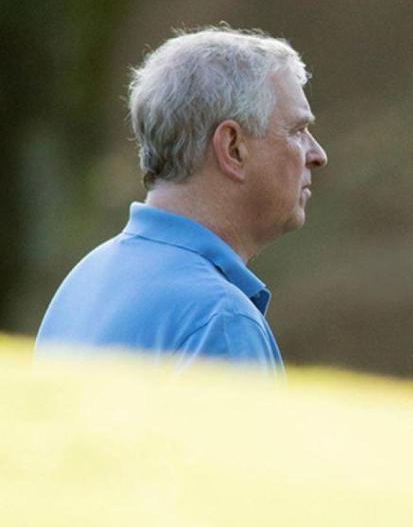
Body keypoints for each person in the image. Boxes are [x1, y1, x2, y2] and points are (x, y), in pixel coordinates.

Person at [35, 26, 328, 375]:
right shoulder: (220, 321)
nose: (317, 154)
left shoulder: (84, 281)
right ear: (233, 148)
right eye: (296, 131)